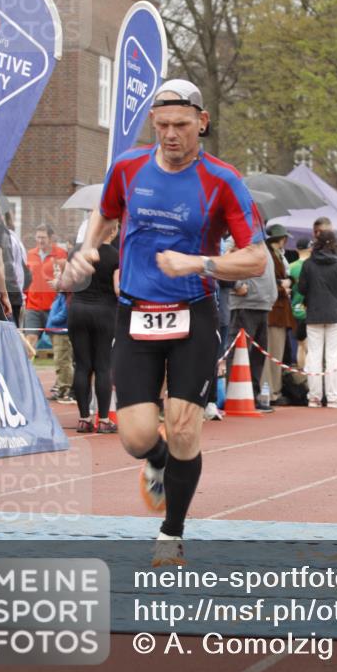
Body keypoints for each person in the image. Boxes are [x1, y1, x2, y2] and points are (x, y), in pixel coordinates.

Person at [65, 79, 266, 562]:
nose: (171, 135)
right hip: (134, 312)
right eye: (162, 126)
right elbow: (106, 211)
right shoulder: (128, 166)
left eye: (181, 125)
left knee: (182, 428)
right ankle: (155, 463)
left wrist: (200, 263)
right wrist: (89, 249)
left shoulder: (222, 180)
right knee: (136, 436)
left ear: (202, 122)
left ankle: (171, 532)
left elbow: (257, 258)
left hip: (193, 315)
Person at [64, 221, 120, 430]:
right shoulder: (115, 256)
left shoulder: (77, 251)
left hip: (78, 310)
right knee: (103, 366)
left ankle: (84, 418)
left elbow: (66, 282)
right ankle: (104, 420)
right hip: (104, 312)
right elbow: (118, 289)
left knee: (82, 365)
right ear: (113, 231)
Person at [298, 229, 337, 408]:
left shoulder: (308, 264)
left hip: (314, 313)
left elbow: (302, 288)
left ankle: (314, 397)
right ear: (333, 243)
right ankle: (333, 397)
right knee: (333, 356)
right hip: (335, 313)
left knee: (314, 355)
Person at [225, 239, 277, 412]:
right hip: (246, 303)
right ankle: (234, 395)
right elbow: (226, 258)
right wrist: (237, 285)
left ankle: (251, 395)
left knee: (257, 355)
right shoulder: (239, 236)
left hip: (262, 303)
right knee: (240, 352)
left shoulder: (260, 240)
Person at [263, 224, 295, 404]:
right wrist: (284, 287)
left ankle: (272, 390)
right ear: (281, 239)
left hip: (277, 310)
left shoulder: (276, 256)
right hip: (275, 310)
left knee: (274, 353)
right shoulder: (271, 257)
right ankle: (272, 391)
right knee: (273, 353)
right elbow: (271, 283)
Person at [23, 224, 67, 349]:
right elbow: (25, 280)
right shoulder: (30, 254)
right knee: (30, 341)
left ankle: (61, 368)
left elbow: (68, 277)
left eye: (43, 237)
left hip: (53, 307)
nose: (40, 241)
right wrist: (25, 300)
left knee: (57, 344)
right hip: (33, 306)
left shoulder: (61, 254)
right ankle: (27, 367)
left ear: (50, 238)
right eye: (38, 237)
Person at [288, 236, 311, 370]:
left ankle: (301, 375)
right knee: (311, 346)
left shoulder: (290, 267)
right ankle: (311, 377)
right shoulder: (312, 266)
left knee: (300, 344)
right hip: (311, 310)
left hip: (294, 309)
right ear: (310, 249)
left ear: (297, 250)